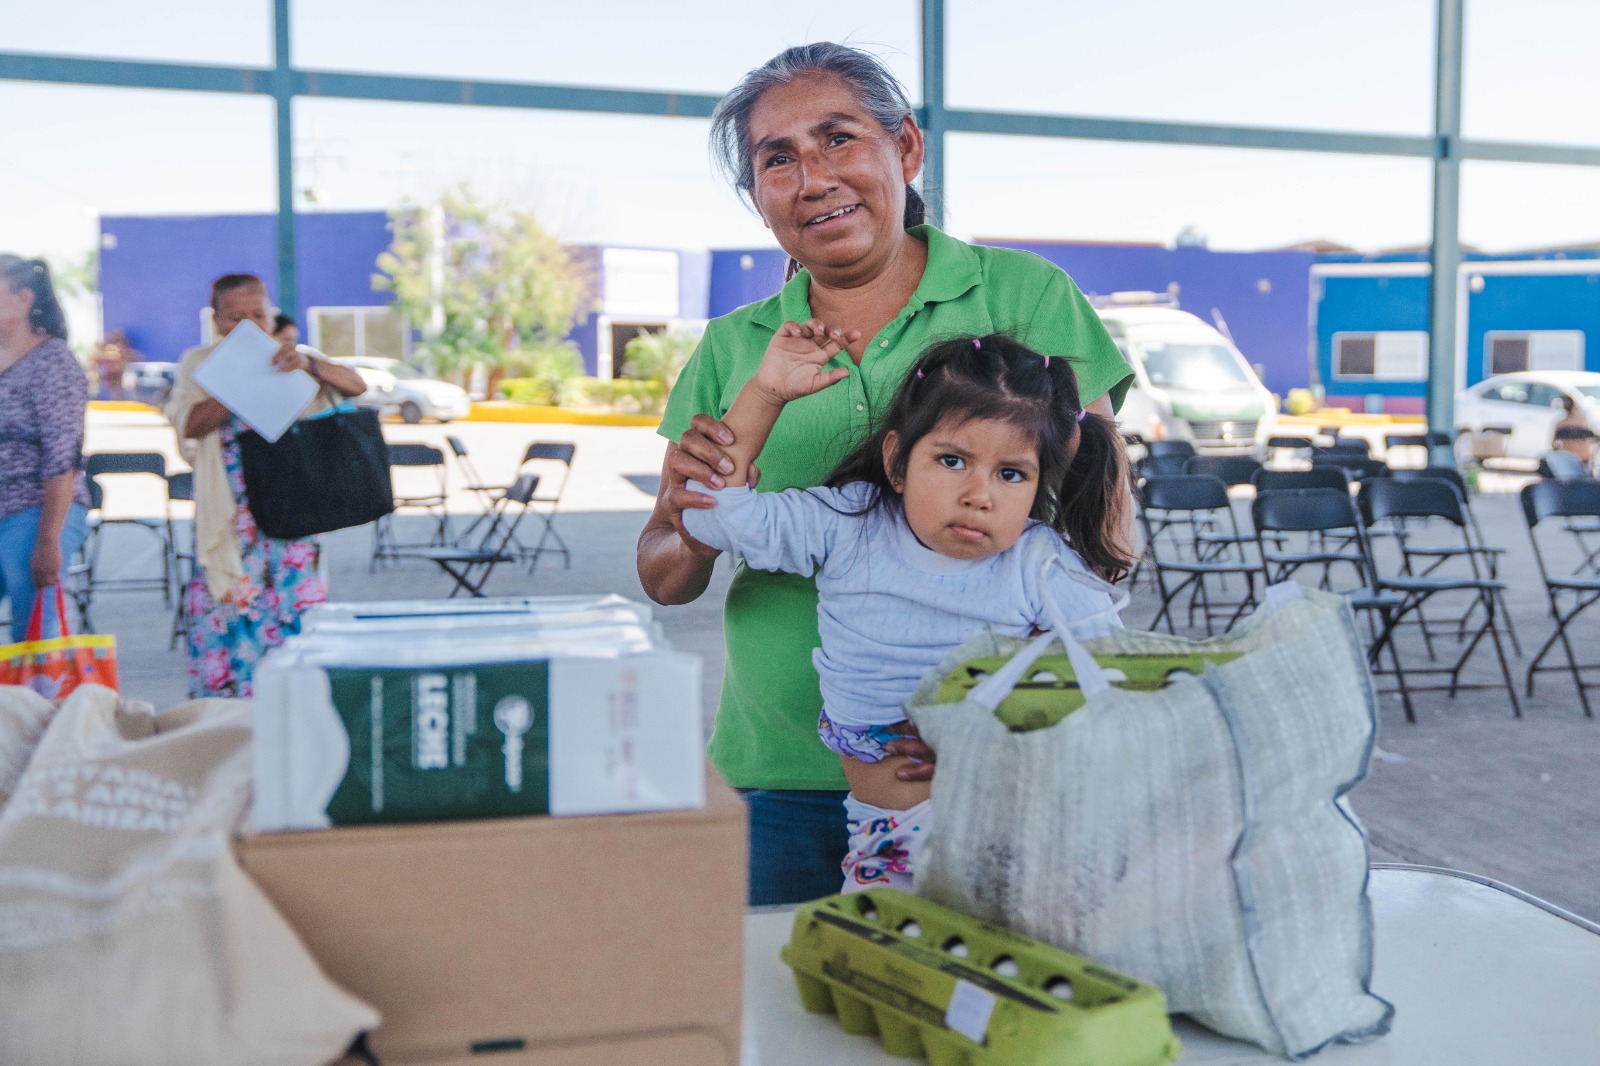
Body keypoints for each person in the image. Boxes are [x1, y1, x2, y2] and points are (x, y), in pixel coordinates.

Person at [636, 43, 1134, 905]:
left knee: (962, 1005)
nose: (814, 176)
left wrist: (1003, 714)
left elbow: (1102, 515)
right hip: (779, 770)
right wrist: (695, 511)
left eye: (839, 139)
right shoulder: (735, 349)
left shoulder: (1021, 296)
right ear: (760, 200)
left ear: (904, 148)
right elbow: (665, 575)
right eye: (778, 158)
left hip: (988, 764)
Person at [683, 329, 1128, 890]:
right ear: (896, 461)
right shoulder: (849, 525)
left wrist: (990, 731)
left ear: (1039, 485)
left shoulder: (1038, 562)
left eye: (1011, 474)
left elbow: (1115, 681)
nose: (979, 494)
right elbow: (708, 516)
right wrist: (765, 394)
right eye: (951, 460)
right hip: (887, 846)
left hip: (1015, 838)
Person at [164, 273, 365, 697]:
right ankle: (225, 731)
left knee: (295, 619)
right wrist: (234, 384)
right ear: (217, 322)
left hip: (291, 515)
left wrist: (310, 364)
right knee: (228, 618)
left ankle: (295, 719)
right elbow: (190, 424)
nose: (250, 327)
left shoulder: (292, 358)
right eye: (236, 318)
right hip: (231, 519)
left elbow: (356, 386)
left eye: (258, 315)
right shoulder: (199, 363)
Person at [0, 255, 90, 643]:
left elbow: (62, 459)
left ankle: (39, 703)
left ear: (23, 300)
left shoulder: (53, 363)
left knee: (34, 628)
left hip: (36, 510)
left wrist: (48, 540)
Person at [1552, 394, 1596, 468]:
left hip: (1568, 459)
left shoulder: (1560, 424)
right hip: (1584, 458)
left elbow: (1553, 445)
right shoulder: (1584, 421)